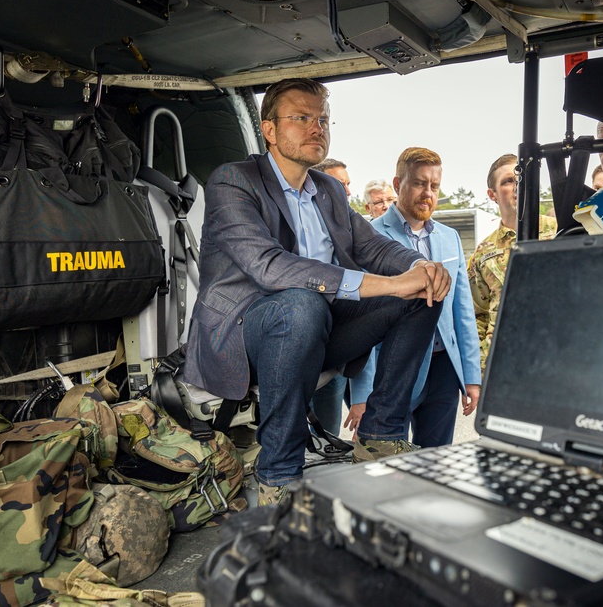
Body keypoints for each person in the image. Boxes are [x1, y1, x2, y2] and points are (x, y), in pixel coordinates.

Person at [184, 78, 451, 507]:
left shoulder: (326, 190)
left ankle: (380, 435)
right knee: (301, 302)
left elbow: (373, 246)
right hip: (244, 333)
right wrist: (384, 284)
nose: (317, 128)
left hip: (317, 326)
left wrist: (417, 268)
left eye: (323, 119)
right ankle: (278, 474)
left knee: (422, 292)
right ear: (269, 130)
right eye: (302, 118)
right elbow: (268, 266)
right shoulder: (233, 182)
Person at [347, 147, 481, 447]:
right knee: (389, 461)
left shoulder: (450, 237)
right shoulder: (369, 237)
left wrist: (471, 377)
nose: (428, 193)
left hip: (444, 369)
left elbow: (463, 311)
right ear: (398, 185)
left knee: (438, 463)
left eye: (434, 186)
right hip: (391, 369)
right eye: (420, 183)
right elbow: (359, 321)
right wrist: (362, 393)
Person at [467, 154, 557, 373]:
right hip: (502, 366)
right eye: (508, 181)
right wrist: (480, 364)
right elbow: (476, 315)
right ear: (492, 194)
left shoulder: (561, 232)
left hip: (556, 358)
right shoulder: (483, 253)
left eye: (522, 179)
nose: (518, 186)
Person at [308, 160, 357, 433]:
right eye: (341, 185)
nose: (348, 192)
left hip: (332, 359)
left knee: (327, 436)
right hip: (294, 351)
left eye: (349, 184)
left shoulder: (349, 231)